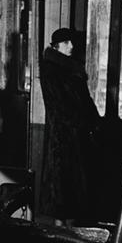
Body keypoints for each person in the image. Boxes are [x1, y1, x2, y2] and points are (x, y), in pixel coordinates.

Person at [39, 27, 102, 227]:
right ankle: (60, 224)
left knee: (74, 181)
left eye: (71, 42)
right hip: (62, 134)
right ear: (57, 46)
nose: (72, 46)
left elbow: (85, 100)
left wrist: (93, 122)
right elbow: (59, 105)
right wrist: (80, 121)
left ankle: (71, 224)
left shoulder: (72, 68)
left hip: (76, 132)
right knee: (62, 181)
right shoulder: (51, 69)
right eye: (67, 42)